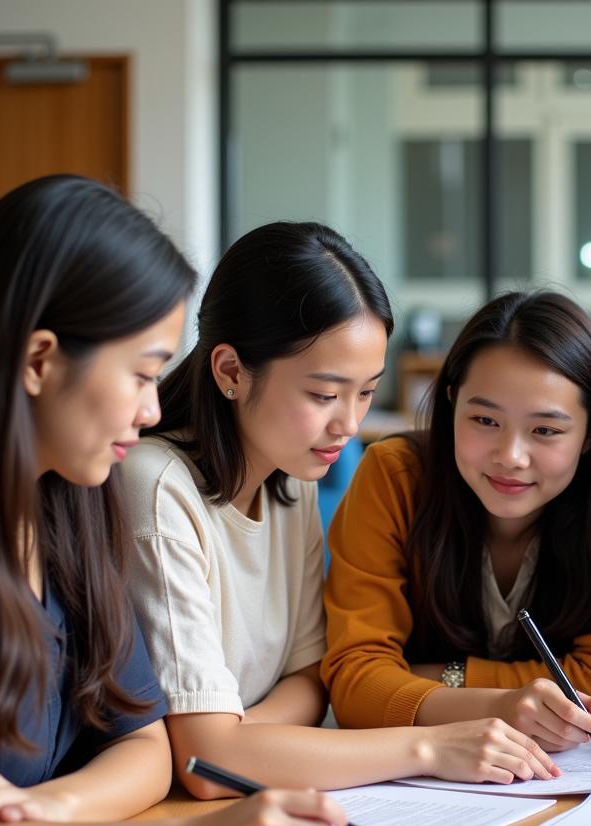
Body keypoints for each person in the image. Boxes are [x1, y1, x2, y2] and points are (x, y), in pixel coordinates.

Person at [0, 176, 348, 826]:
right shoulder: (119, 492)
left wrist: (45, 810)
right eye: (141, 374)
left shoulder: (70, 512)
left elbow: (141, 744)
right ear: (39, 360)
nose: (149, 411)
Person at [123, 223, 557, 794]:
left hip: (250, 798)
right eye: (324, 395)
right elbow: (210, 766)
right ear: (230, 371)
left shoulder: (289, 476)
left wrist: (239, 741)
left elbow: (311, 680)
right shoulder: (157, 486)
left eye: (366, 392)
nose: (348, 425)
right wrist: (427, 746)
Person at [323, 290, 591, 752]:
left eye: (545, 430)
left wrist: (432, 676)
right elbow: (355, 684)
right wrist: (504, 704)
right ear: (450, 404)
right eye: (485, 420)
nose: (510, 456)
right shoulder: (394, 477)